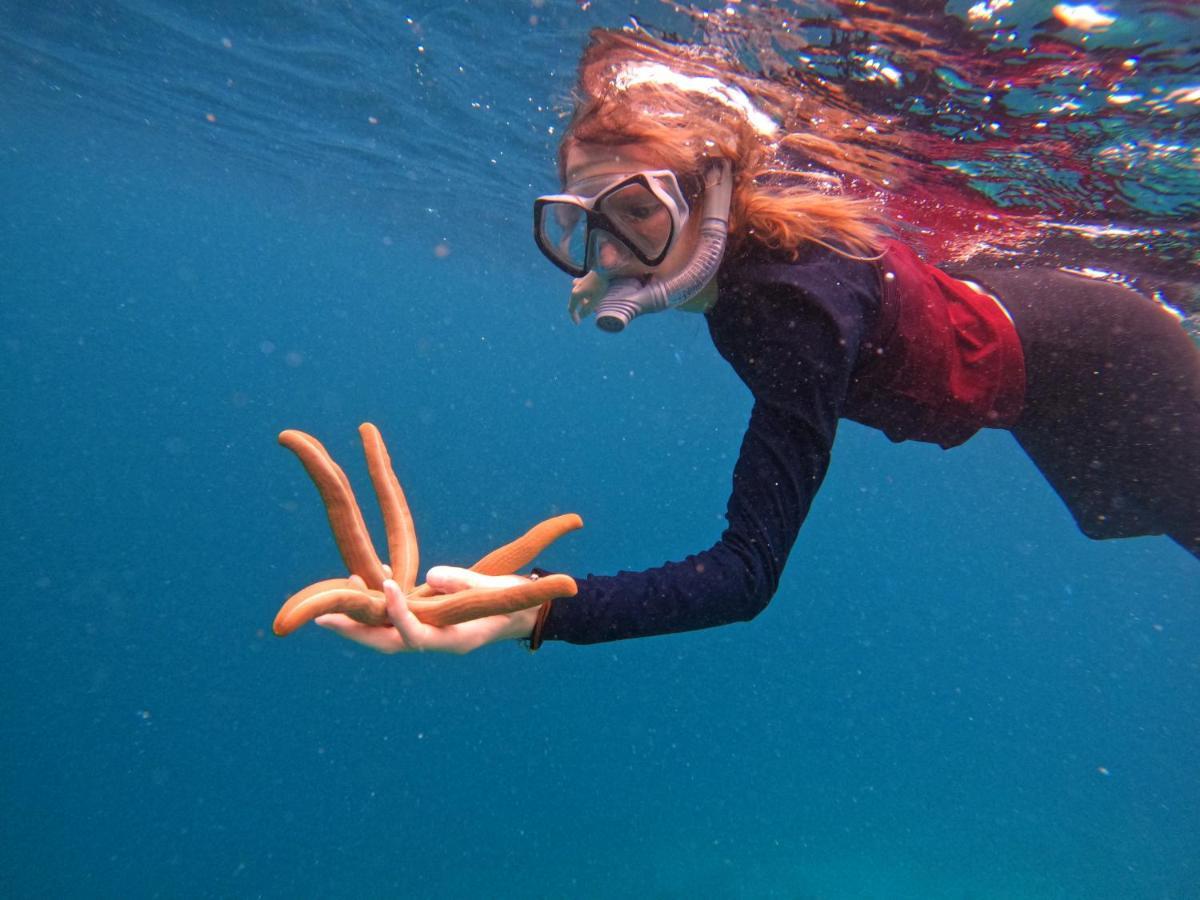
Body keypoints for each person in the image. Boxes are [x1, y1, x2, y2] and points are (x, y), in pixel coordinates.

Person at [316, 29, 1199, 655]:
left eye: (634, 213)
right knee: (1120, 517)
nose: (612, 253)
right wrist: (641, 264)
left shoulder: (791, 313)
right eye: (585, 226)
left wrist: (536, 613)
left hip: (1106, 360)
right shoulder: (747, 257)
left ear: (713, 200)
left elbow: (744, 576)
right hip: (1027, 361)